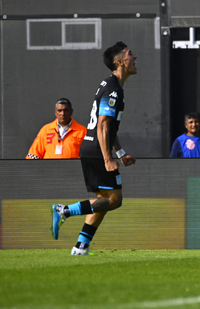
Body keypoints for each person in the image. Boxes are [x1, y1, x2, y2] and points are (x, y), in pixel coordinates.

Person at [51, 41, 138, 255]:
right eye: (129, 54)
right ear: (119, 62)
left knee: (102, 201)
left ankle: (81, 246)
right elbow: (103, 125)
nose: (134, 57)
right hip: (98, 151)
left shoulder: (112, 86)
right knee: (114, 201)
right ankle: (64, 210)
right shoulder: (113, 89)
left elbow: (110, 128)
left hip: (92, 148)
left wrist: (121, 153)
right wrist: (109, 158)